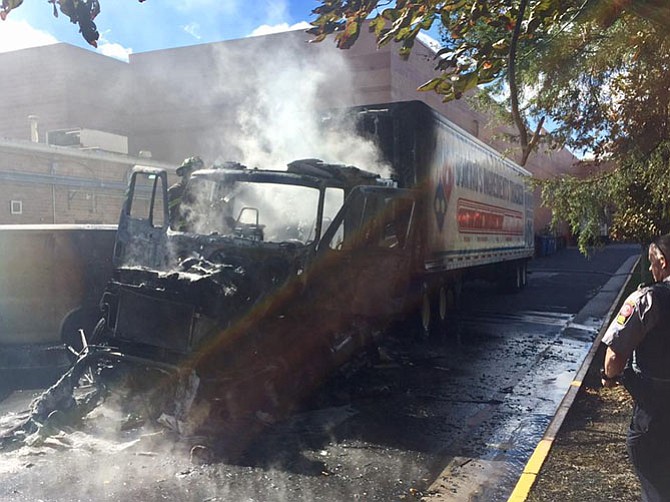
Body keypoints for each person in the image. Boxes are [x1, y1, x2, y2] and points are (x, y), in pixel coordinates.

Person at [601, 234, 670, 501]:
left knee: (656, 485)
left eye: (652, 264)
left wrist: (608, 377)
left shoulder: (648, 299)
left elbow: (614, 356)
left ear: (662, 262)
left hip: (654, 415)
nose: (651, 270)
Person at [168, 156, 204, 228]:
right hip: (182, 234)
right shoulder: (175, 191)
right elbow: (176, 216)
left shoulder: (202, 192)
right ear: (185, 173)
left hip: (200, 233)